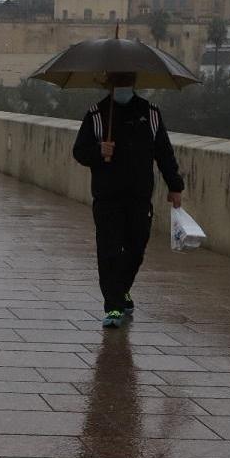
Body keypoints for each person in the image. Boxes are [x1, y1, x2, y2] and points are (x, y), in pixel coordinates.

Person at [73, 72, 184, 329]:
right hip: (107, 197)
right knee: (109, 251)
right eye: (118, 83)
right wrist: (99, 151)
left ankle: (121, 288)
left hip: (139, 197)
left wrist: (175, 185)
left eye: (127, 83)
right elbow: (79, 151)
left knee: (136, 248)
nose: (123, 88)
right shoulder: (97, 115)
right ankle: (113, 306)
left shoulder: (150, 113)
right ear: (110, 85)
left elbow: (164, 153)